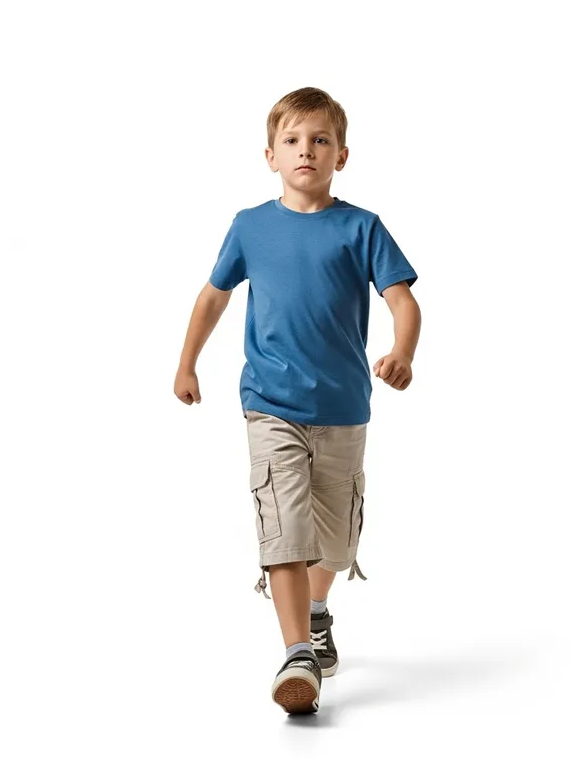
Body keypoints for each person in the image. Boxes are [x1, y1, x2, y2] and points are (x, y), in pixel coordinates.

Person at [173, 87, 421, 714]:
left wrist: (403, 352)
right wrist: (187, 363)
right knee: (283, 526)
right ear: (269, 155)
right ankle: (297, 655)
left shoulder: (361, 227)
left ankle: (316, 612)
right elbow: (212, 298)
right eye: (292, 141)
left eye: (319, 140)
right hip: (269, 402)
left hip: (343, 408)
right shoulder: (250, 226)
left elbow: (403, 300)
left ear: (342, 154)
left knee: (333, 541)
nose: (305, 151)